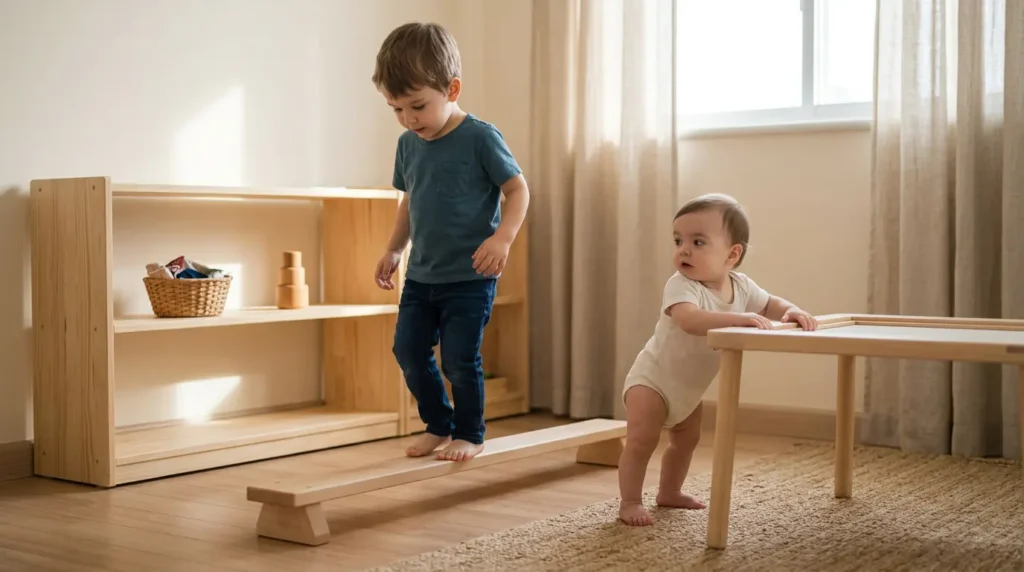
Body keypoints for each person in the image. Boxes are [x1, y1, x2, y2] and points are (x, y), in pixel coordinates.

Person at [371, 22, 530, 463]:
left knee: (459, 359)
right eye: (396, 109)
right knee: (407, 351)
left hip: (470, 276)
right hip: (422, 275)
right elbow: (410, 202)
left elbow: (518, 190)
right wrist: (393, 249)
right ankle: (438, 423)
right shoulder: (409, 144)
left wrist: (503, 238)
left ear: (452, 88)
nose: (408, 119)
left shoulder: (480, 137)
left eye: (417, 106)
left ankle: (469, 432)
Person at [617, 193, 818, 526]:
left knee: (687, 440)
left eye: (698, 242)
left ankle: (669, 492)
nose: (683, 249)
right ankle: (630, 501)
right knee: (642, 440)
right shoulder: (681, 286)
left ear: (732, 254)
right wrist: (739, 319)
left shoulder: (741, 287)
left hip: (688, 389)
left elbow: (770, 304)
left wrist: (792, 310)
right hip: (652, 380)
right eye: (678, 240)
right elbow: (690, 321)